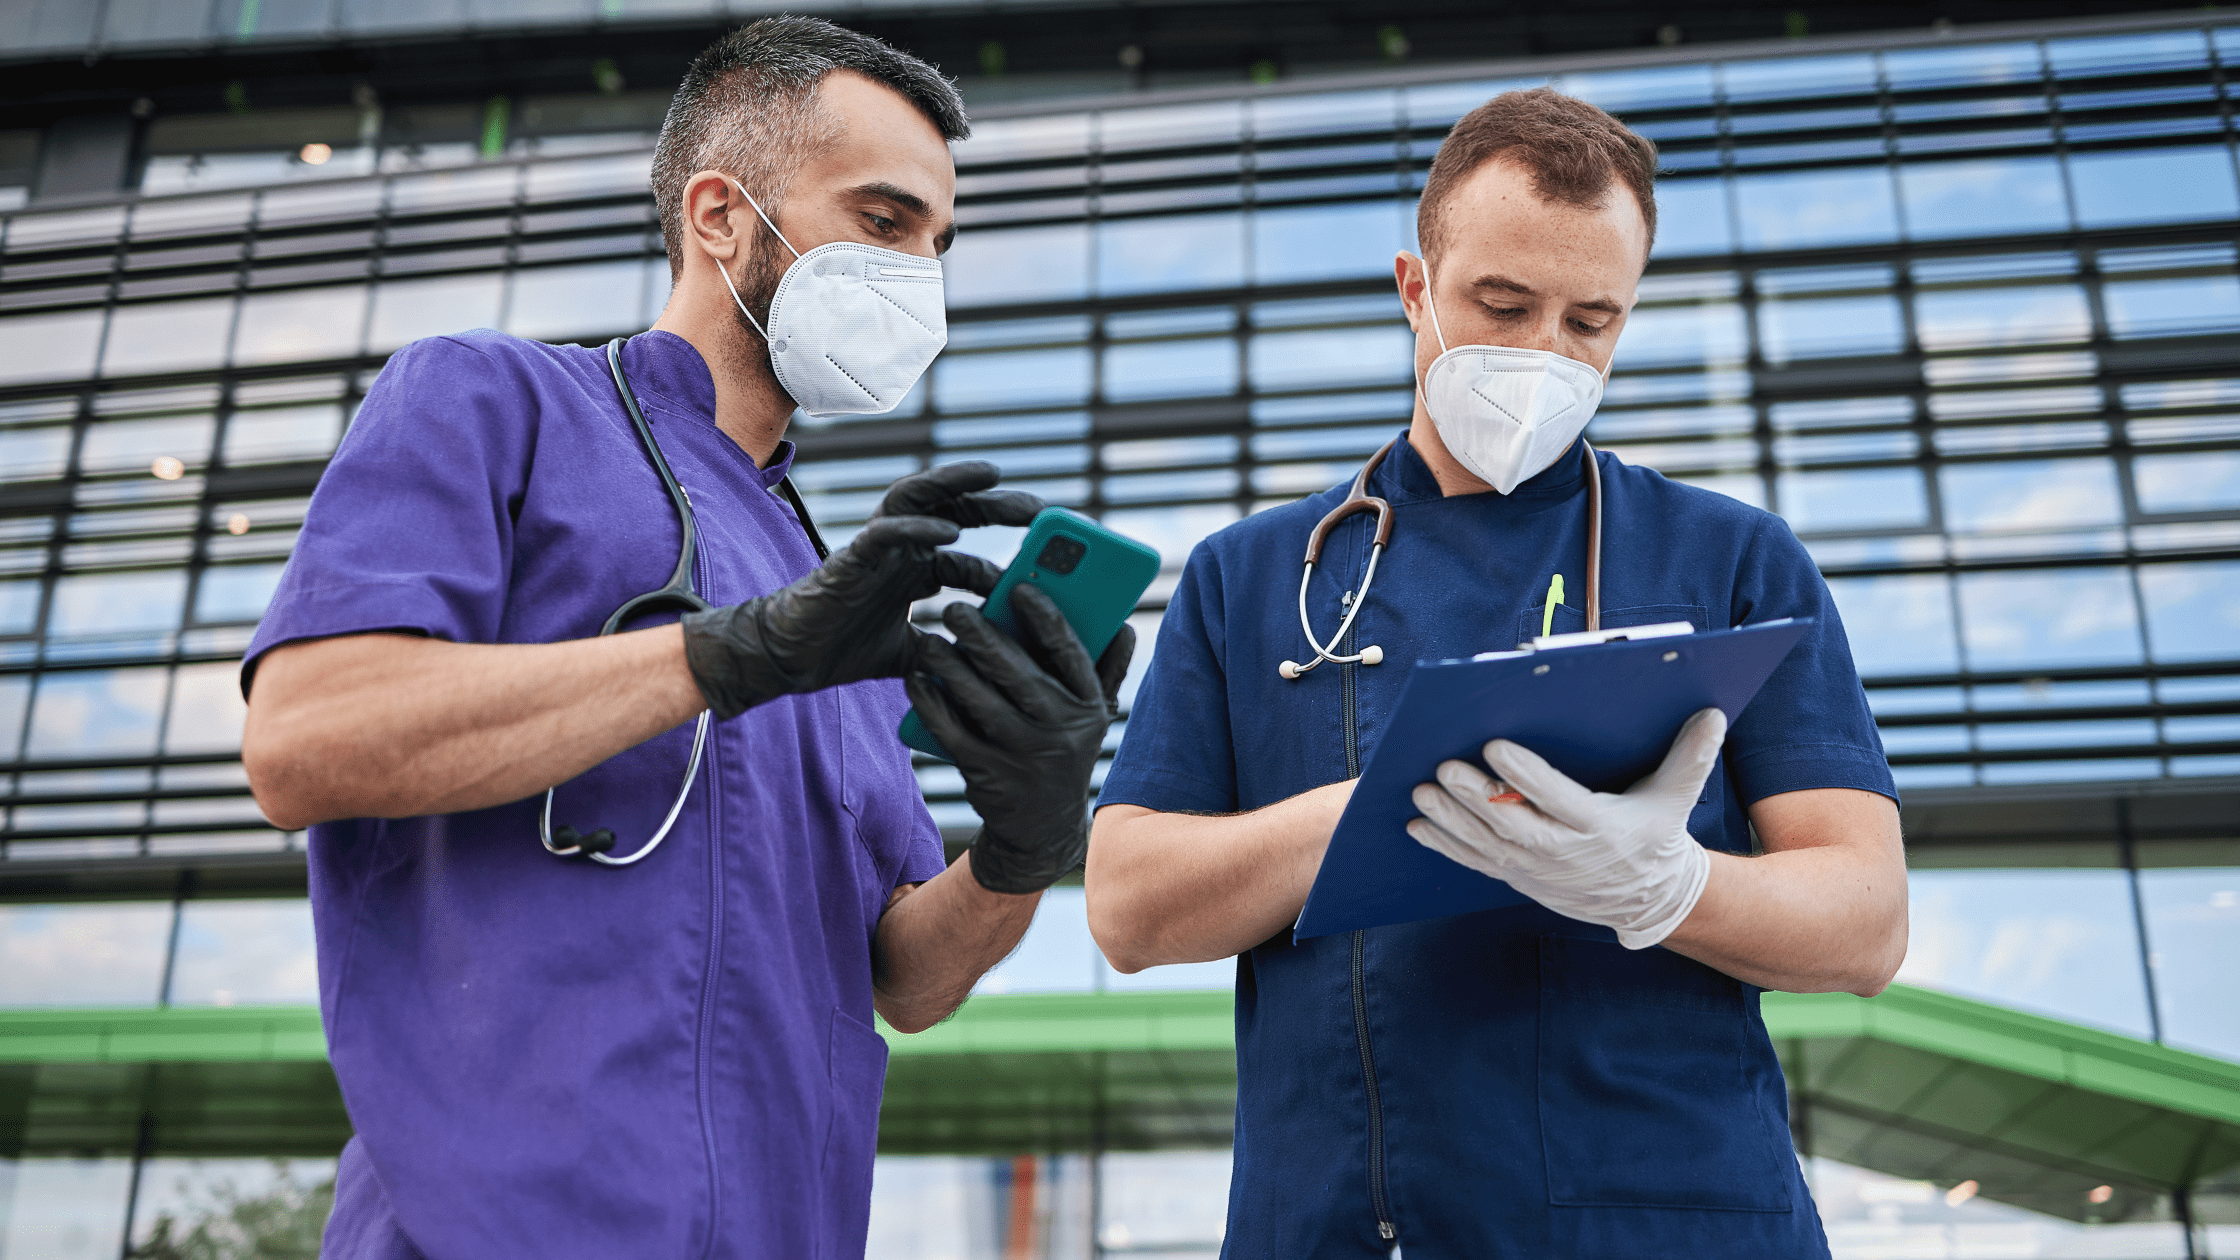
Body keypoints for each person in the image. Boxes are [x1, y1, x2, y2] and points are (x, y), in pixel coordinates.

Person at [238, 17, 1131, 1259]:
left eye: (937, 244)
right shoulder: (490, 403)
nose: (918, 277)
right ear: (719, 216)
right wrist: (729, 655)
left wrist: (1027, 843)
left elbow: (904, 978)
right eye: (882, 222)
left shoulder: (832, 589)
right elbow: (304, 740)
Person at [1086, 87, 1905, 1258]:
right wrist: (1375, 810)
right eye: (1503, 304)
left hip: (1676, 1226)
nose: (1543, 355)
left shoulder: (1731, 560)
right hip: (1341, 1228)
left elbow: (1865, 921)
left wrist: (1663, 887)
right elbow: (1126, 907)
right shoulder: (1250, 577)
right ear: (1415, 288)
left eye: (1589, 322)